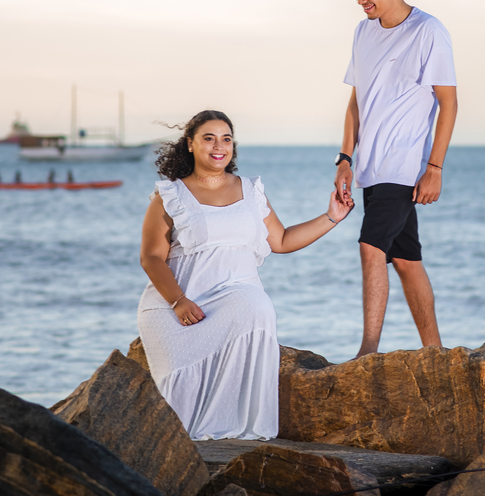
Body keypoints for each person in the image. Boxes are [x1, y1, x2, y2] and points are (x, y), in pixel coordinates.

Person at [137, 109, 353, 440]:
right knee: (179, 399)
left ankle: (234, 432)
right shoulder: (170, 196)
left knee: (257, 306)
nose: (218, 146)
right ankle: (179, 443)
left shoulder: (251, 192)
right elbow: (151, 257)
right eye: (208, 138)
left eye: (226, 139)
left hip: (235, 297)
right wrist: (178, 300)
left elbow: (280, 240)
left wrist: (332, 217)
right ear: (191, 145)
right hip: (178, 304)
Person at [334, 0, 458, 359]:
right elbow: (356, 102)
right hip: (370, 167)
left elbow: (449, 102)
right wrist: (345, 159)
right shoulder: (362, 33)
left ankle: (367, 352)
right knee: (406, 260)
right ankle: (435, 351)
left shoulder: (429, 31)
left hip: (403, 167)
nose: (362, 1)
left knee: (371, 246)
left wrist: (434, 167)